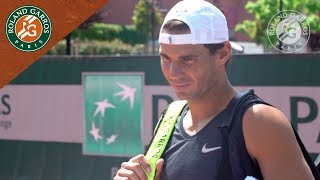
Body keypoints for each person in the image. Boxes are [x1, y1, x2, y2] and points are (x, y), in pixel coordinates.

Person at [114, 0, 314, 179]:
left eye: (187, 59)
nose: (173, 72)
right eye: (165, 58)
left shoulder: (260, 122)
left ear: (222, 54)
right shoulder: (170, 117)